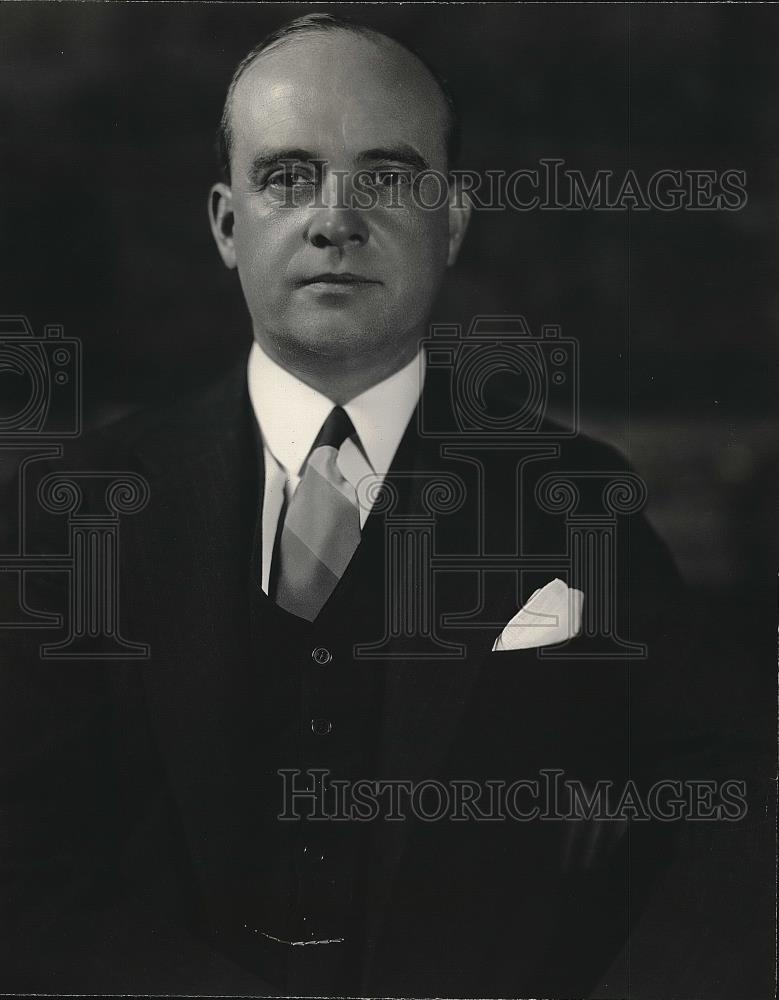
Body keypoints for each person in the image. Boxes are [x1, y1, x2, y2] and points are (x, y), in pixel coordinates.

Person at [1, 14, 695, 997]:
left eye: (385, 176)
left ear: (450, 221)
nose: (335, 219)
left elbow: (742, 788)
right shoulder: (72, 510)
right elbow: (19, 868)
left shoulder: (571, 498)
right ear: (226, 223)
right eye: (287, 177)